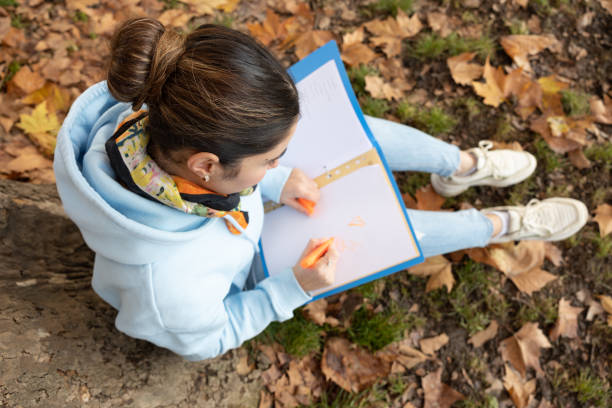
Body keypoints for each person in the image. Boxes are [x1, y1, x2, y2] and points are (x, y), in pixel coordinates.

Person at [53, 18, 588, 361]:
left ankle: (460, 165)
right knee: (382, 233)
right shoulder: (167, 291)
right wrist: (293, 289)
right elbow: (215, 336)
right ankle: (500, 224)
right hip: (254, 267)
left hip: (236, 215)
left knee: (360, 135)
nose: (280, 162)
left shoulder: (163, 112)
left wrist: (277, 179)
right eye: (271, 158)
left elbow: (232, 181)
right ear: (208, 165)